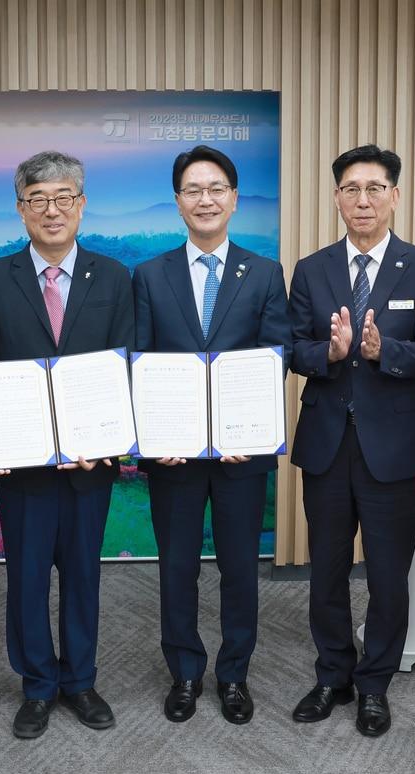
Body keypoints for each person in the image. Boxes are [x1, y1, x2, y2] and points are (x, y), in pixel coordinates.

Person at [0, 150, 135, 739]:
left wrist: (109, 440)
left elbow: (125, 365)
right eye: (38, 199)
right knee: (29, 577)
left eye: (64, 197)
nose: (52, 210)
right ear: (20, 210)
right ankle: (37, 685)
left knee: (84, 574)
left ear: (82, 205)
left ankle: (81, 681)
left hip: (92, 464)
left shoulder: (114, 278)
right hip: (25, 468)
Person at [287, 144, 415, 737]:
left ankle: (375, 683)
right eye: (351, 189)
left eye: (375, 188)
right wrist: (327, 353)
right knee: (326, 569)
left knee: (387, 573)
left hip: (393, 447)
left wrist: (387, 352)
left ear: (395, 196)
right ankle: (333, 674)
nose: (363, 200)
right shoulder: (312, 269)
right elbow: (293, 346)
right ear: (335, 197)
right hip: (327, 442)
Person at [132, 145, 290, 725]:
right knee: (177, 565)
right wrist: (154, 435)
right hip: (173, 455)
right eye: (193, 190)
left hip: (241, 453)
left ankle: (233, 674)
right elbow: (139, 362)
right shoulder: (149, 276)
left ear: (233, 198)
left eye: (216, 188)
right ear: (178, 201)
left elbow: (279, 354)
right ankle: (185, 672)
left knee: (239, 566)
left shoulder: (265, 272)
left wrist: (252, 425)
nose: (206, 199)